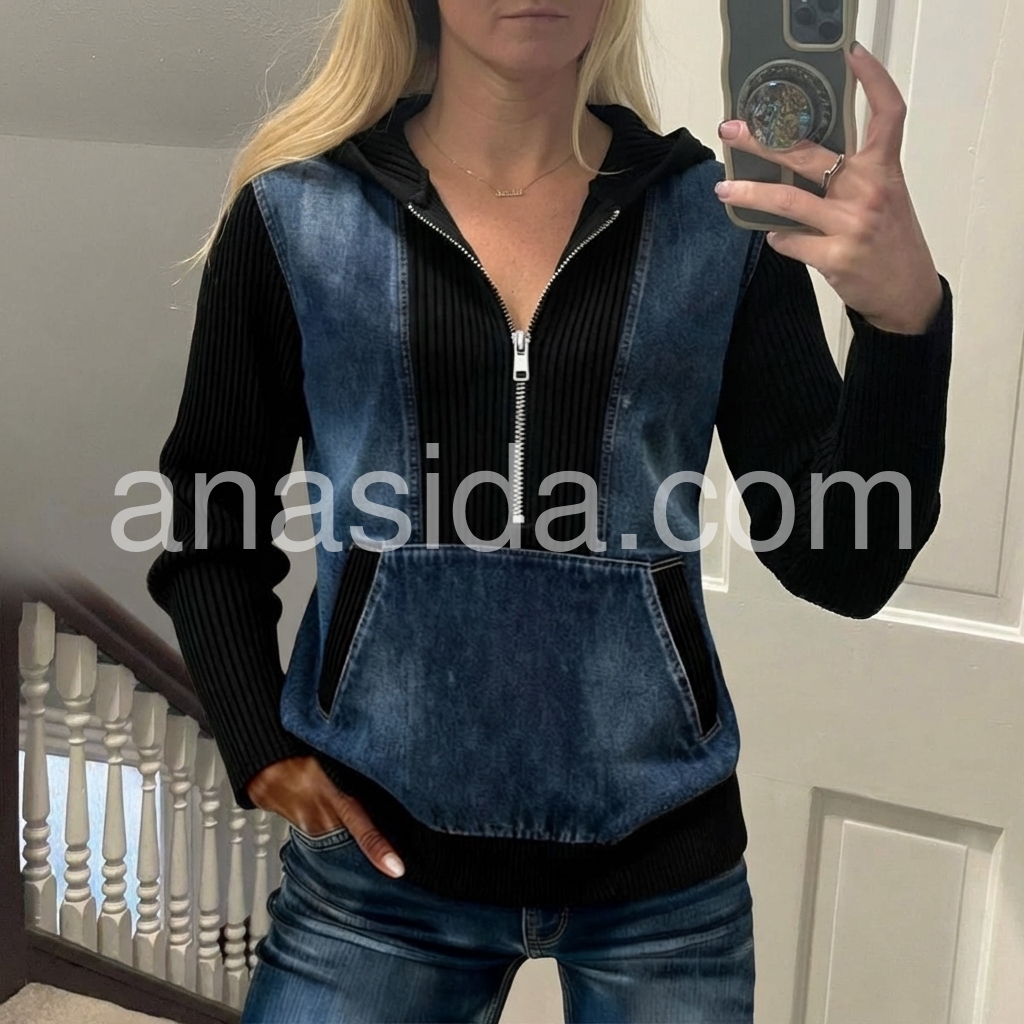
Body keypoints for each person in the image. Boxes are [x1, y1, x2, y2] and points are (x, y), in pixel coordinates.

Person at [146, 1, 953, 1021]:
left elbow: (845, 564)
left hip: (666, 873)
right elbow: (208, 514)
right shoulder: (296, 216)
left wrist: (903, 320)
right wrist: (256, 739)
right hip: (376, 877)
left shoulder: (718, 220)